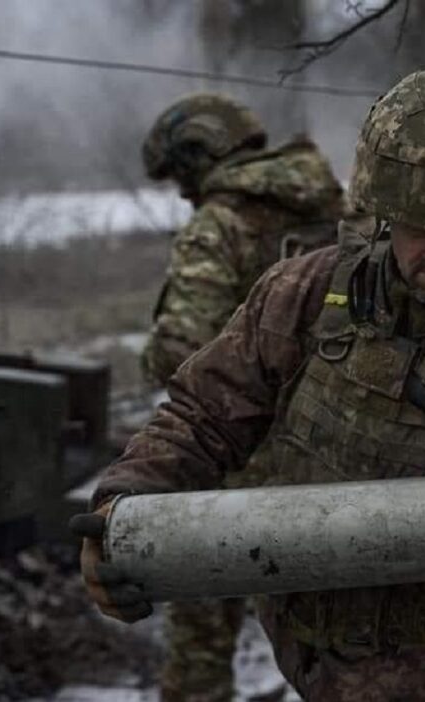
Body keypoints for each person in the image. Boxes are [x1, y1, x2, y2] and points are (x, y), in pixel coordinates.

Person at [76, 67, 425, 701]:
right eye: (421, 227)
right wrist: (122, 506)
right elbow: (200, 414)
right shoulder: (302, 291)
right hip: (307, 650)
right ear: (383, 212)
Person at [138, 92, 344, 702]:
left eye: (182, 175)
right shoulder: (340, 207)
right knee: (344, 646)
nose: (183, 192)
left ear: (201, 155)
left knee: (199, 636)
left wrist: (149, 357)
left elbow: (185, 352)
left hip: (237, 466)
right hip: (341, 457)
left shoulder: (220, 224)